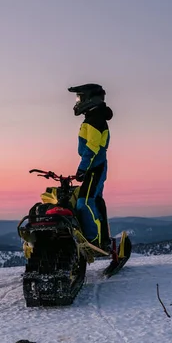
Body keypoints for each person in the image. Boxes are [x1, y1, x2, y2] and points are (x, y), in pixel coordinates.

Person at [68, 83, 113, 251]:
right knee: (95, 200)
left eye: (79, 97)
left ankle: (93, 240)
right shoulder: (94, 117)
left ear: (89, 98)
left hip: (95, 167)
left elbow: (92, 147)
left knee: (84, 203)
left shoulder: (95, 119)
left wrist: (82, 168)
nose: (78, 101)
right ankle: (104, 239)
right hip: (95, 167)